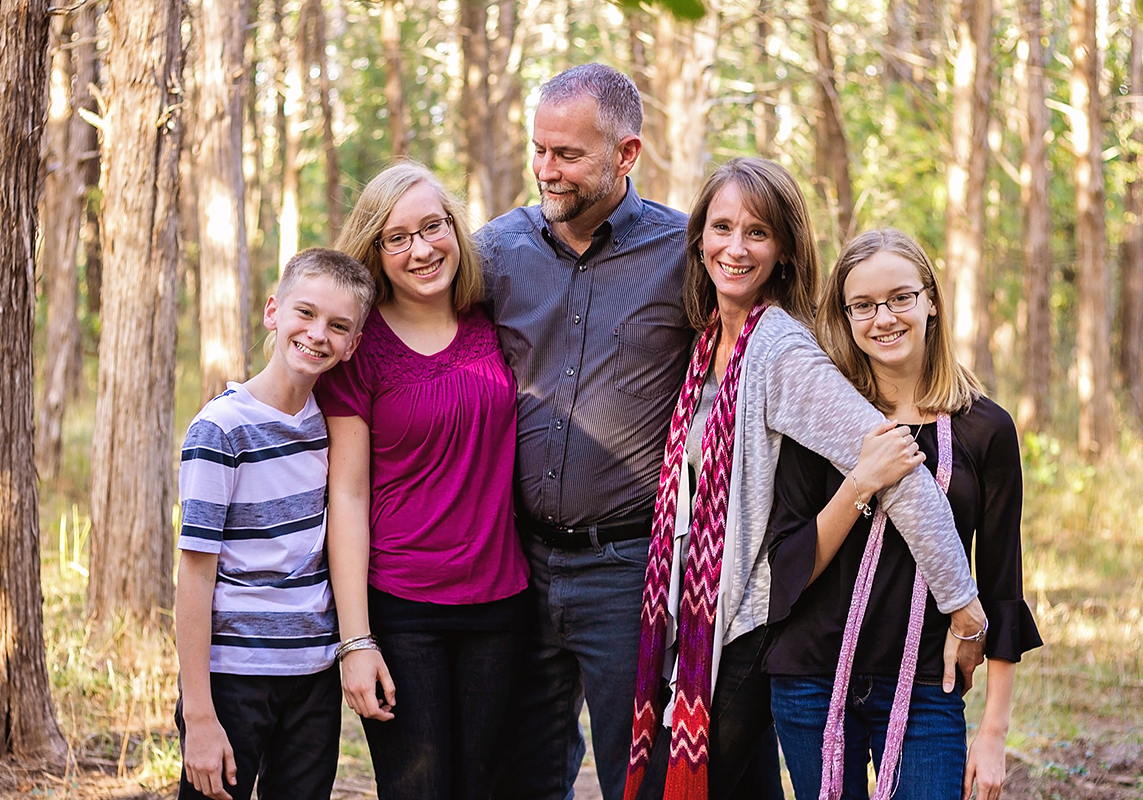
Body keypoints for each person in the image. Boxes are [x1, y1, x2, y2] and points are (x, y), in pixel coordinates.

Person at [624, 161, 991, 800]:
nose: (735, 248)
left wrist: (963, 606)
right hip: (699, 621)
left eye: (758, 233)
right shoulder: (707, 342)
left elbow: (900, 472)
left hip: (746, 624)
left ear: (786, 251)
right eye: (721, 228)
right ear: (698, 239)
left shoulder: (781, 352)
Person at [478, 63, 696, 800]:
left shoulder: (685, 255)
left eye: (567, 154)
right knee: (522, 775)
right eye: (538, 149)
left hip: (628, 570)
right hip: (515, 565)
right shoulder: (494, 252)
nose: (546, 170)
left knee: (640, 777)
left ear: (626, 155)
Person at [764, 229, 1043, 800]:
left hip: (926, 687)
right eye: (862, 305)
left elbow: (1001, 584)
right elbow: (787, 567)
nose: (882, 318)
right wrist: (861, 480)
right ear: (844, 316)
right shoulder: (819, 416)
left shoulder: (985, 429)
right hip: (813, 680)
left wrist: (992, 735)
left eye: (900, 298)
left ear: (930, 300)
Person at [318, 161, 530, 800]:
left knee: (488, 789)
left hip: (502, 605)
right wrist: (356, 640)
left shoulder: (494, 320)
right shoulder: (359, 348)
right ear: (376, 253)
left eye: (433, 226)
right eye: (397, 237)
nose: (421, 249)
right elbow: (348, 496)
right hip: (403, 609)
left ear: (455, 230)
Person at [174, 248, 375, 800]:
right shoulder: (221, 430)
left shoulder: (326, 427)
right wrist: (199, 716)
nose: (317, 334)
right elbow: (194, 577)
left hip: (312, 677)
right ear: (273, 311)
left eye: (338, 326)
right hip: (233, 678)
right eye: (305, 314)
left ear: (353, 343)